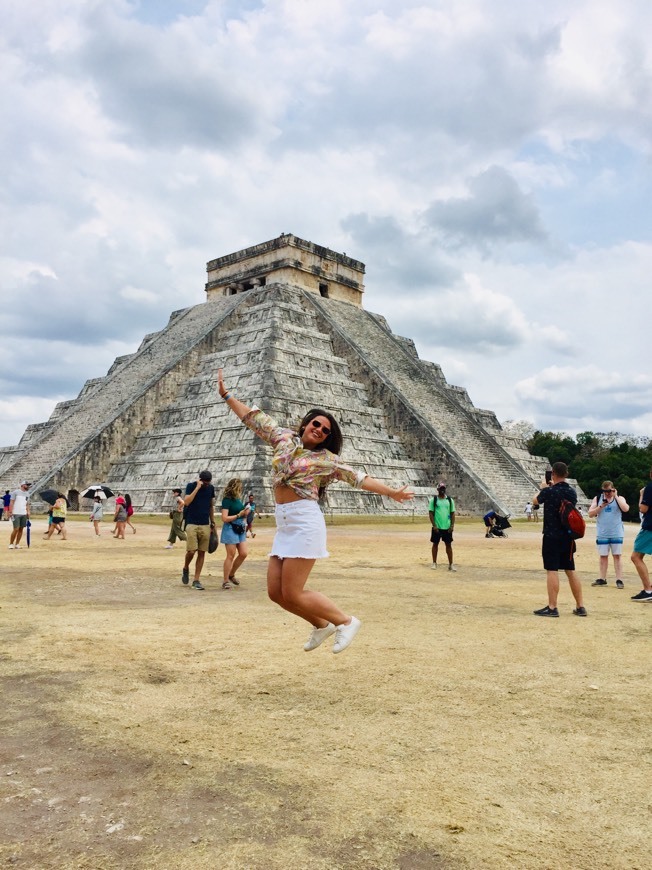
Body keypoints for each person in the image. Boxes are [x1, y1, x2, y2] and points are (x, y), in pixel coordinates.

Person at [218, 367, 414, 654]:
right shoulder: (282, 438)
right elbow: (253, 419)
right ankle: (322, 625)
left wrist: (392, 492)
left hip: (304, 521)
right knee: (276, 593)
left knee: (294, 591)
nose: (320, 430)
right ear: (306, 423)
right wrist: (227, 396)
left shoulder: (327, 460)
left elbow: (358, 478)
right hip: (285, 523)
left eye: (326, 430)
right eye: (317, 424)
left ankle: (346, 621)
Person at [532, 461, 586, 617]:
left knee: (552, 570)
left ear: (553, 474)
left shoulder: (549, 491)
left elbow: (535, 500)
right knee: (570, 570)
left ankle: (552, 606)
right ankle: (580, 606)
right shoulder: (572, 492)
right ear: (566, 474)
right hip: (568, 537)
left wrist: (543, 487)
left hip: (551, 535)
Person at [588, 481, 629, 588]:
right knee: (603, 556)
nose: (607, 493)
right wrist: (601, 506)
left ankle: (619, 579)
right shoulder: (597, 499)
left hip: (616, 532)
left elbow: (625, 509)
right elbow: (590, 514)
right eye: (605, 491)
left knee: (617, 556)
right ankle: (602, 578)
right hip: (602, 533)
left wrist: (616, 496)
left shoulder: (619, 498)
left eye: (609, 491)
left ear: (613, 489)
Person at [181, 470, 216, 590]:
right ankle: (186, 567)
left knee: (202, 552)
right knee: (191, 551)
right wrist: (197, 488)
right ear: (200, 480)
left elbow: (211, 505)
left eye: (208, 483)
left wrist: (213, 522)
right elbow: (186, 502)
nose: (207, 485)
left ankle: (196, 580)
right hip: (191, 523)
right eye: (205, 482)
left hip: (205, 523)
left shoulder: (211, 488)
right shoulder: (191, 486)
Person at [220, 478, 249, 589]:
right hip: (230, 527)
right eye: (240, 487)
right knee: (230, 555)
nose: (241, 489)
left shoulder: (238, 499)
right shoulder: (227, 500)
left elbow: (240, 513)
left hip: (240, 527)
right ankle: (225, 580)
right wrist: (238, 515)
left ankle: (231, 574)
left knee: (243, 553)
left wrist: (245, 513)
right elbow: (224, 518)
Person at [630, 468, 652, 602]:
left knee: (636, 556)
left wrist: (642, 496)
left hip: (650, 527)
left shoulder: (649, 488)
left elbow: (643, 509)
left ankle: (648, 590)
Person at [428, 483, 456, 570]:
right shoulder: (434, 500)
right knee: (435, 544)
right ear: (438, 489)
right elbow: (431, 513)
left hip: (447, 527)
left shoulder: (450, 500)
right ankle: (434, 562)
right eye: (441, 489)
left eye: (443, 488)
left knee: (449, 545)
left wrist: (452, 525)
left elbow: (452, 513)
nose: (442, 490)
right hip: (437, 527)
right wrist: (434, 525)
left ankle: (451, 564)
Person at [8, 481, 31, 549]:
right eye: (27, 485)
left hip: (23, 513)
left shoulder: (27, 494)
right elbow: (11, 502)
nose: (28, 486)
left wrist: (28, 511)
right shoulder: (15, 492)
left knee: (21, 529)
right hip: (16, 513)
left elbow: (27, 504)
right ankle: (11, 543)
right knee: (16, 529)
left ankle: (17, 544)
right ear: (23, 485)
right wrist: (10, 511)